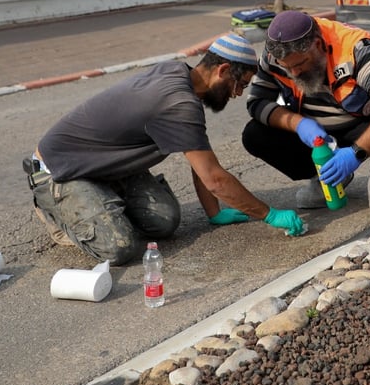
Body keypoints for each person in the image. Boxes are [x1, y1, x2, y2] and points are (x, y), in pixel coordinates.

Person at [26, 34, 305, 265]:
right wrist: (269, 214)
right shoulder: (179, 104)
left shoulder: (178, 75)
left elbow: (200, 156)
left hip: (102, 165)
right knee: (119, 247)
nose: (238, 94)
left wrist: (214, 213)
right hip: (60, 169)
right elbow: (215, 179)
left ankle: (102, 202)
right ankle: (55, 211)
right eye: (239, 83)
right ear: (222, 71)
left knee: (165, 223)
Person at [242, 11, 370, 216]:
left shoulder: (354, 48)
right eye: (287, 68)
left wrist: (356, 153)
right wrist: (299, 124)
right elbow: (257, 102)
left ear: (318, 45)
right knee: (255, 134)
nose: (294, 73)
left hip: (363, 125)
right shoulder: (275, 56)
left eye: (300, 64)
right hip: (321, 136)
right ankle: (325, 176)